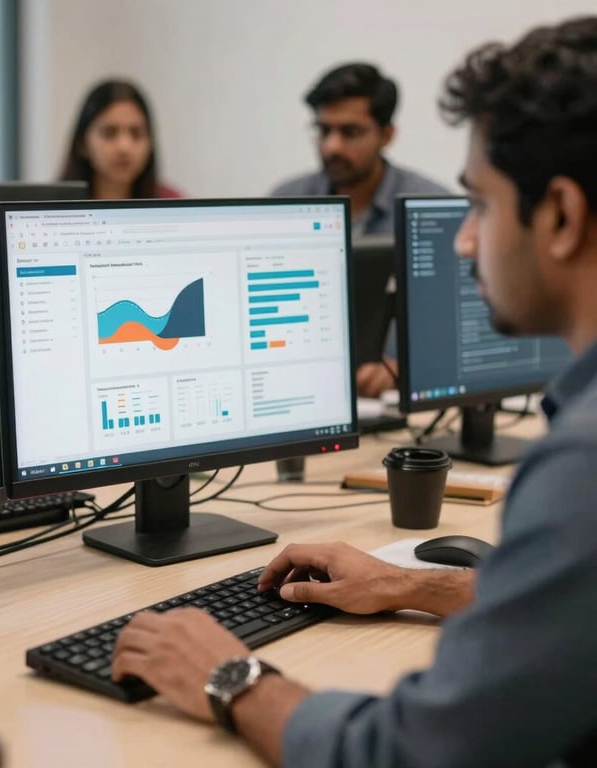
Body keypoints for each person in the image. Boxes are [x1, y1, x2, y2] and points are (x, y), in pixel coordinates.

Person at [112, 16, 597, 767]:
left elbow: (412, 754)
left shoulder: (582, 468)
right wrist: (409, 584)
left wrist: (229, 676)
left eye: (481, 205)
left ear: (561, 215)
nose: (463, 240)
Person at [276, 63, 447, 396]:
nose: (332, 147)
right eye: (323, 131)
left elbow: (453, 329)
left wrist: (409, 368)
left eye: (350, 132)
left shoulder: (428, 210)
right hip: (303, 394)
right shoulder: (284, 203)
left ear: (386, 134)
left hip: (391, 399)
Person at [60, 79, 182, 199]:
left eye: (136, 133)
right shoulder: (52, 206)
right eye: (109, 133)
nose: (124, 147)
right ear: (82, 143)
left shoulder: (171, 203)